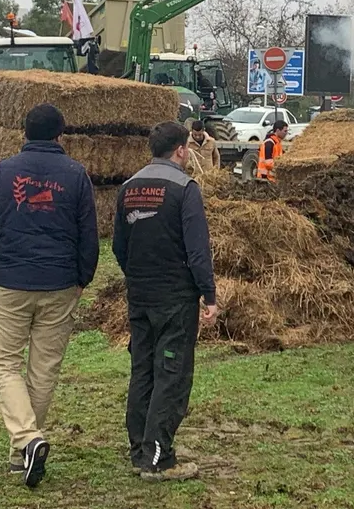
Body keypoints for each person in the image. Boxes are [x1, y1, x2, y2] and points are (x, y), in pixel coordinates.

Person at [0, 103, 99, 488]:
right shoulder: (77, 174)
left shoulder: (4, 171)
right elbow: (88, 233)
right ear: (61, 135)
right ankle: (23, 450)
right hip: (60, 283)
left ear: (23, 133)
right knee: (44, 370)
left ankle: (26, 441)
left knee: (5, 366)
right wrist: (82, 278)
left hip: (9, 282)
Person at [113, 121, 218, 482]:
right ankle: (158, 458)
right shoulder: (185, 189)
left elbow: (119, 246)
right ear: (181, 150)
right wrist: (208, 294)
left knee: (143, 370)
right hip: (175, 298)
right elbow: (197, 250)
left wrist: (137, 275)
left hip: (140, 295)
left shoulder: (128, 187)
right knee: (172, 374)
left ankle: (140, 450)